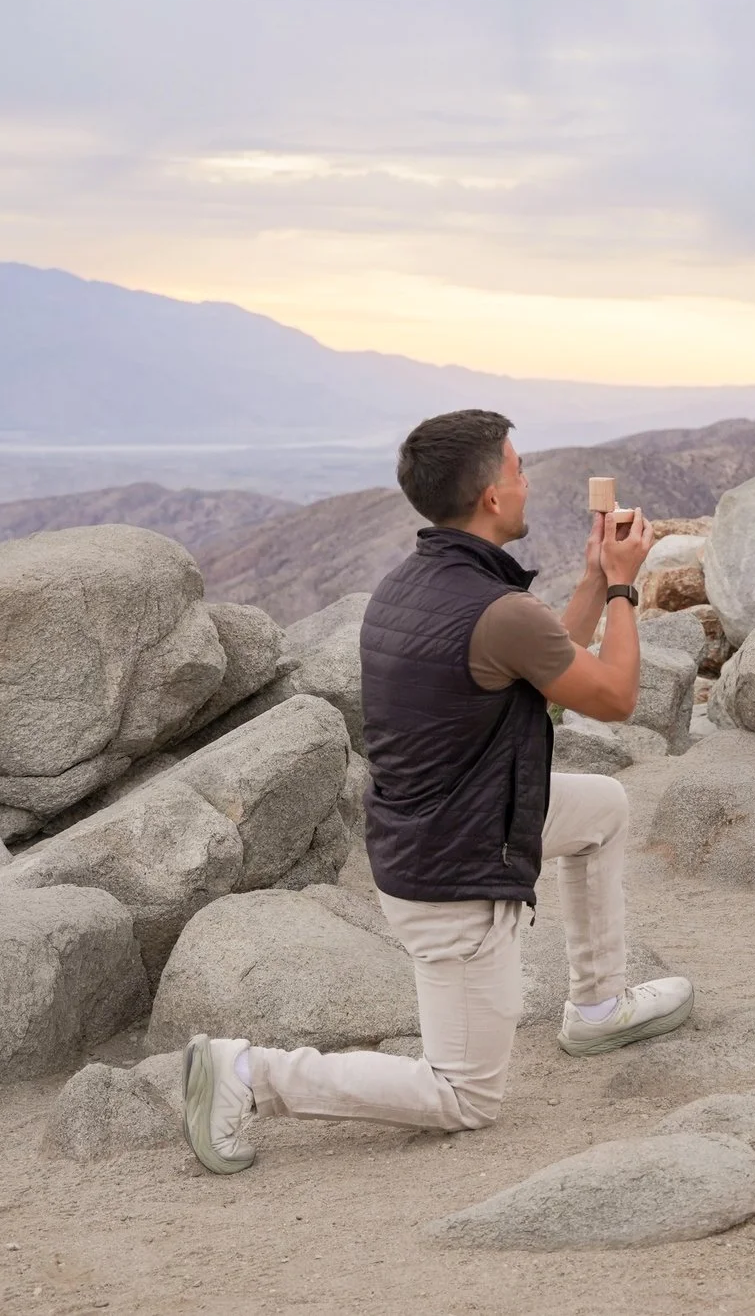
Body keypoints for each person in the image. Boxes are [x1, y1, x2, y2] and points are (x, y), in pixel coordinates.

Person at [180, 409, 693, 1175]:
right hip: (457, 874)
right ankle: (251, 1074)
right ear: (491, 495)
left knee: (602, 810)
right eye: (517, 469)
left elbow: (536, 670)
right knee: (464, 1096)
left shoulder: (412, 586)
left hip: (443, 827)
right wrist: (623, 587)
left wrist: (590, 581)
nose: (526, 482)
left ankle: (597, 1006)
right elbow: (616, 695)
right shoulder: (496, 610)